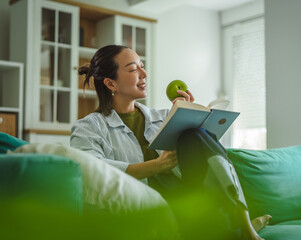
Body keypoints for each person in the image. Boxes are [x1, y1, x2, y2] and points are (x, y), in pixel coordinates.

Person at [70, 45, 271, 239]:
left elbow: (200, 153)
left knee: (195, 134)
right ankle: (238, 228)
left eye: (142, 65)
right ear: (111, 84)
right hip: (147, 209)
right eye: (133, 69)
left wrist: (190, 115)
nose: (144, 73)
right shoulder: (88, 128)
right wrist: (156, 166)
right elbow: (92, 172)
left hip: (189, 198)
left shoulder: (164, 116)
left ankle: (243, 224)